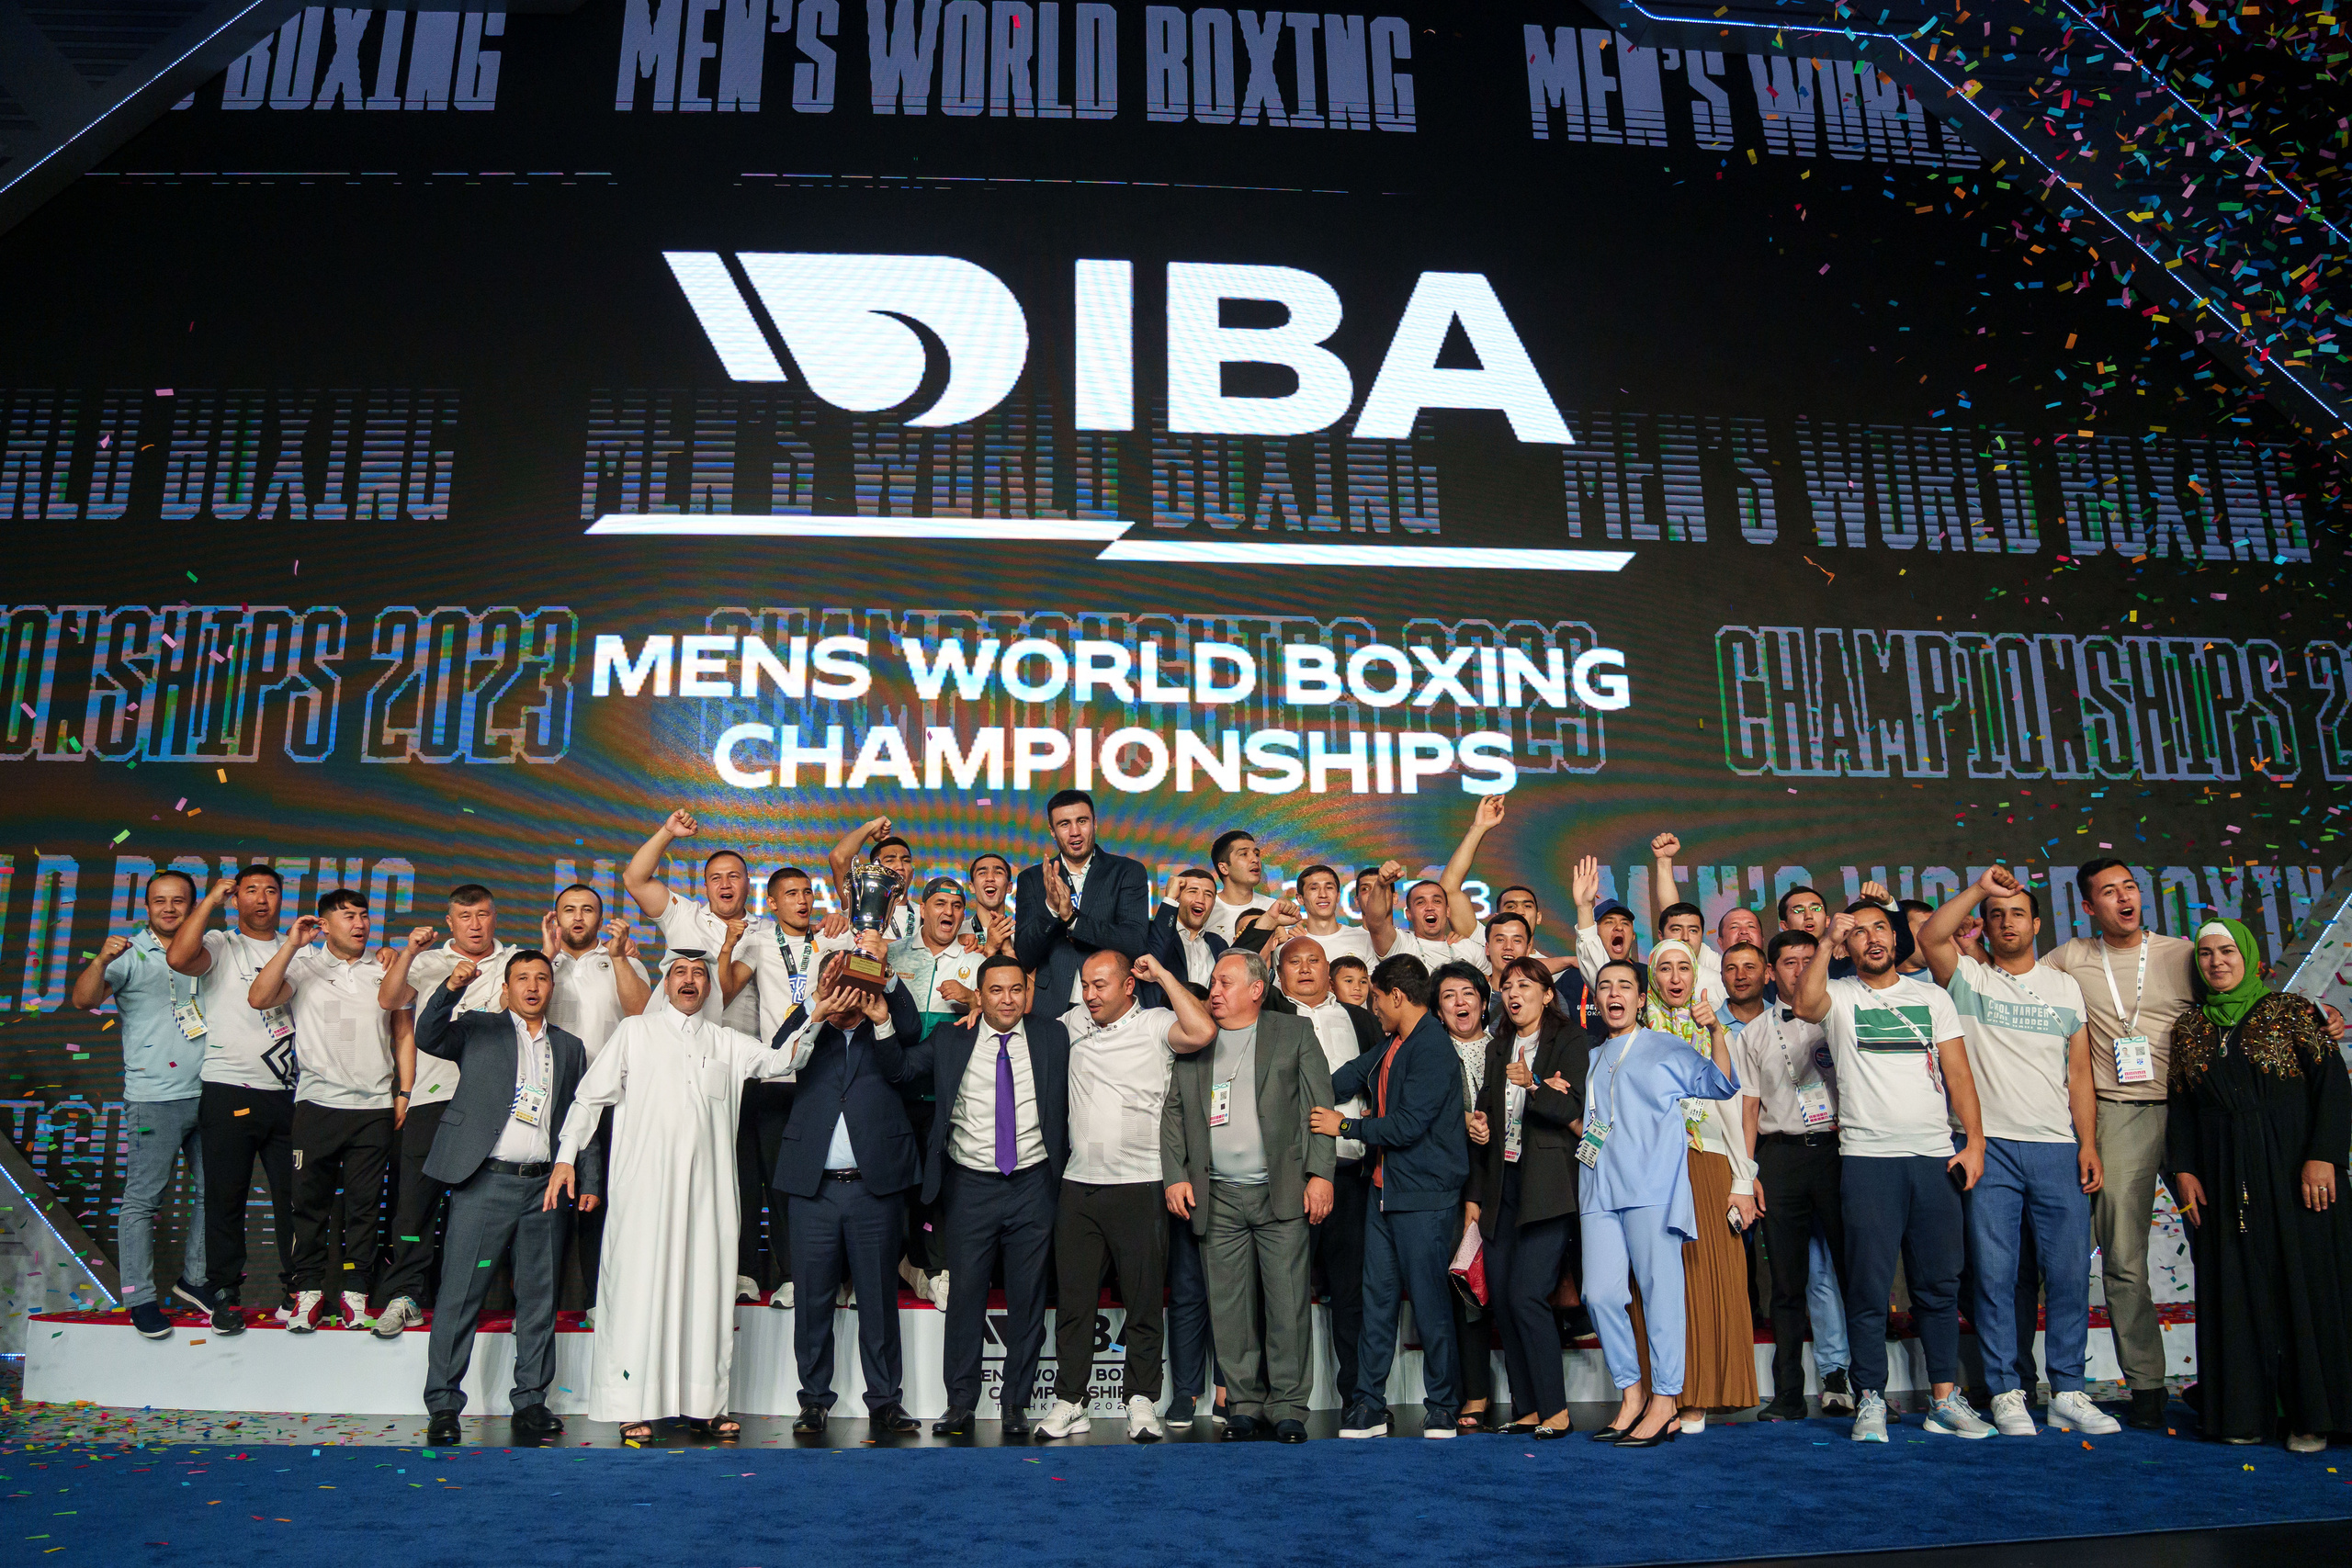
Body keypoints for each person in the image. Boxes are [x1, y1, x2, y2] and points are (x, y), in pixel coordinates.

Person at [547, 953, 790, 1442]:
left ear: (709, 988)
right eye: (680, 972)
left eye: (699, 973)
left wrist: (820, 1009)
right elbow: (589, 1097)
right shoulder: (636, 1033)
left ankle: (703, 1404)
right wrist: (566, 1155)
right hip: (644, 1194)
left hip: (710, 1198)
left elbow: (785, 1059)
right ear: (666, 982)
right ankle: (630, 1404)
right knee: (638, 1294)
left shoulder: (729, 1042)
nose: (690, 980)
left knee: (706, 1295)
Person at [1918, 867, 2118, 1438]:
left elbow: (2079, 1075)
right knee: (1996, 1276)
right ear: (1985, 924)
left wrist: (2088, 1144)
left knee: (2067, 1274)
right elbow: (1932, 936)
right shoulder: (1969, 979)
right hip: (1990, 1148)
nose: (2007, 922)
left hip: (2057, 1147)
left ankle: (2069, 1391)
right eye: (1996, 915)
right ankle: (2006, 1390)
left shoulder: (2064, 987)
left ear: (2036, 924)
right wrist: (1982, 888)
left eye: (2018, 914)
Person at [1791, 902, 1990, 1442]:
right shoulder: (1841, 998)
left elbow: (1959, 1072)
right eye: (1859, 932)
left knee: (1939, 1285)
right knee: (1869, 1287)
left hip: (1932, 1157)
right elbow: (1805, 1003)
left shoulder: (1932, 997)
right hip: (1867, 1160)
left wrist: (1974, 1141)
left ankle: (1944, 1400)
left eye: (1881, 927)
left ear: (1898, 938)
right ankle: (1871, 1398)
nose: (1872, 938)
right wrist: (1828, 941)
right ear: (1847, 948)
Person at [2167, 918, 2352, 1451]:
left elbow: (2332, 1088)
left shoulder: (2290, 1012)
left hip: (2297, 1174)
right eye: (2206, 954)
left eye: (2227, 951)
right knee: (2236, 1288)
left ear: (2249, 956)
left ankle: (2310, 1417)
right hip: (2225, 1177)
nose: (2217, 962)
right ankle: (2243, 1414)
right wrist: (2184, 1169)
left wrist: (2323, 1158)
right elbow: (2181, 1107)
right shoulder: (2190, 1028)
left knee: (2303, 1286)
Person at [415, 949, 601, 1447]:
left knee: (539, 1298)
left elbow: (581, 1119)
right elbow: (427, 1035)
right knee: (460, 1296)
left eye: (542, 978)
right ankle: (444, 1405)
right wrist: (451, 987)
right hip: (486, 1181)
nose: (534, 986)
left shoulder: (570, 1047)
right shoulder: (480, 1028)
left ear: (551, 987)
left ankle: (532, 1402)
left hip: (545, 1186)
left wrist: (589, 1179)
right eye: (523, 978)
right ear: (507, 986)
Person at [2043, 859, 2198, 1431]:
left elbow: (2245, 999)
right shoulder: (2070, 959)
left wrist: (2319, 1013)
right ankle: (2149, 1385)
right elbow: (2011, 984)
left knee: (2231, 1254)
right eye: (2108, 892)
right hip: (2117, 1116)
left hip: (2191, 1115)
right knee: (2125, 1259)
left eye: (2130, 886)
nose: (2124, 898)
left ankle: (2241, 1376)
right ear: (2089, 908)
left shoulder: (2183, 953)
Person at [1035, 951, 1216, 1440]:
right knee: (1075, 1304)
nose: (1090, 995)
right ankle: (1071, 1400)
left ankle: (1140, 1400)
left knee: (1142, 1304)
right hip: (1078, 1185)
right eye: (1085, 986)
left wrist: (1162, 975)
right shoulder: (1073, 1021)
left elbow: (1202, 1031)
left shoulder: (1157, 1023)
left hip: (1142, 1183)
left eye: (1100, 986)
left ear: (1129, 987)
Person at [1163, 949, 1336, 1443]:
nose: (1213, 991)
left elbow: (1321, 1107)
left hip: (1280, 1193)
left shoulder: (1294, 1032)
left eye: (1224, 982)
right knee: (1230, 1308)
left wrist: (1321, 1175)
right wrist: (1176, 1174)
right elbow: (1174, 1114)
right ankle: (1242, 1404)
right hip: (1216, 1198)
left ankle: (1288, 1407)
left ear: (1257, 989)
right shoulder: (1198, 1041)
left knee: (1286, 1305)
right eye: (1212, 983)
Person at [1577, 959, 1743, 1448]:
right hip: (1598, 1189)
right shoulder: (1589, 1056)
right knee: (1600, 1294)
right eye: (1604, 986)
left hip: (1651, 1187)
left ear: (1640, 998)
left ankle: (1665, 1400)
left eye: (1624, 985)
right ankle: (1631, 1395)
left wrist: (1715, 1031)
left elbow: (1720, 1084)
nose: (1614, 993)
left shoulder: (1664, 1047)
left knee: (1660, 1295)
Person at [772, 943, 929, 1438]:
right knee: (812, 1302)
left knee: (879, 1302)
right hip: (812, 1188)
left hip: (873, 1188)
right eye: (834, 979)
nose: (846, 989)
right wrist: (815, 1007)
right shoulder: (807, 1028)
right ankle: (814, 1401)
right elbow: (781, 1053)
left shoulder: (885, 1030)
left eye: (853, 978)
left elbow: (906, 1034)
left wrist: (882, 991)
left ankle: (885, 1402)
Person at [1322, 954, 1471, 1440]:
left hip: (1425, 1198)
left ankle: (1443, 1406)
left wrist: (1344, 1125)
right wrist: (1300, 1091)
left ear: (1398, 997)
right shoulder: (1393, 1043)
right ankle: (1368, 1405)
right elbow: (1344, 1076)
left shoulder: (1432, 1049)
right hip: (1384, 1195)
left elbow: (1407, 1127)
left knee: (1430, 1306)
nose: (1374, 1009)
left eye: (1377, 999)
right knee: (1377, 1303)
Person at [921, 954, 1069, 1438]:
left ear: (1027, 993)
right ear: (978, 996)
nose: (1007, 999)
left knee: (1028, 1301)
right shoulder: (951, 1037)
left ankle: (1015, 1404)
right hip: (970, 1186)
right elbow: (900, 1070)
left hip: (1033, 1184)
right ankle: (960, 1403)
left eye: (1016, 990)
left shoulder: (1053, 1035)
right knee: (965, 1298)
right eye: (996, 991)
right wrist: (882, 1018)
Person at [248, 891, 406, 1332]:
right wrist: (293, 944)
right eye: (347, 916)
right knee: (309, 1206)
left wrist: (404, 1092)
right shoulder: (304, 964)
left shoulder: (384, 969)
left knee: (364, 1207)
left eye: (364, 915)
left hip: (373, 1105)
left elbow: (402, 1031)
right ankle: (309, 1291)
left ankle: (356, 1294)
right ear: (324, 922)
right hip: (316, 1104)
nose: (359, 923)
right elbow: (259, 998)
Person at [371, 885, 523, 1337]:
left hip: (492, 1100)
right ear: (451, 921)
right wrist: (408, 951)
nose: (475, 925)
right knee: (415, 1204)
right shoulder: (428, 961)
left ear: (495, 917)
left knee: (487, 1206)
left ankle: (490, 1301)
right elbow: (388, 1000)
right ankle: (405, 1295)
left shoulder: (513, 961)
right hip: (433, 1098)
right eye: (465, 916)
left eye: (482, 915)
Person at [70, 868, 215, 1337]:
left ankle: (195, 1280)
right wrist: (99, 961)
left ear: (193, 906)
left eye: (179, 901)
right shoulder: (129, 953)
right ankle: (139, 1297)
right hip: (155, 1098)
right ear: (147, 907)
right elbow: (82, 1000)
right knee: (143, 1201)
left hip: (212, 1091)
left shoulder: (209, 947)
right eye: (160, 901)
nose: (169, 908)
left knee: (216, 1192)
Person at [164, 864, 299, 1336]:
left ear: (283, 897)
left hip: (287, 1095)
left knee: (294, 1201)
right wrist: (208, 904)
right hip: (228, 1089)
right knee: (225, 1199)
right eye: (250, 891)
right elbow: (180, 958)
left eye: (271, 890)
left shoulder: (298, 950)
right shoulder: (221, 943)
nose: (261, 898)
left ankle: (297, 1292)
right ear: (235, 896)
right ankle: (223, 1293)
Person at [1728, 931, 1853, 1422]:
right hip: (1780, 1158)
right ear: (1769, 973)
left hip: (1840, 1152)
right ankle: (1786, 1392)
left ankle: (1862, 1385)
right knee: (1786, 1281)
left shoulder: (1841, 1014)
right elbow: (1748, 1107)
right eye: (1788, 962)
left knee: (1851, 1271)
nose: (1799, 970)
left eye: (1808, 960)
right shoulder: (1753, 1033)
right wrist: (1747, 1170)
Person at [1635, 939, 1758, 1431]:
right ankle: (1662, 1395)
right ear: (1652, 980)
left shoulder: (1715, 1033)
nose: (1674, 976)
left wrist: (1743, 1179)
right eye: (1664, 968)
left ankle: (1699, 1395)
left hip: (1706, 1163)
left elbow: (1733, 1106)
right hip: (1651, 1168)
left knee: (1708, 1279)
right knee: (1661, 1283)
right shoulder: (1635, 1036)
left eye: (1683, 967)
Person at [723, 865, 856, 1309]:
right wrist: (726, 949)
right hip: (774, 1074)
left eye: (806, 893)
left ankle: (793, 1274)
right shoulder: (759, 940)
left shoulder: (835, 938)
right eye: (791, 894)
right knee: (752, 1179)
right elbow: (722, 991)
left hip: (823, 1079)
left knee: (795, 1185)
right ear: (773, 904)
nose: (802, 901)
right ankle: (744, 1271)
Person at [1468, 955, 1589, 1437]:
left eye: (1525, 985)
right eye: (1507, 986)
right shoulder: (1498, 1048)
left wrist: (1536, 1086)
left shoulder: (1569, 1040)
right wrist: (1478, 1127)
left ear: (1545, 993)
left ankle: (1556, 1408)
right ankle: (1528, 1408)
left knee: (1526, 1295)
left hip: (1548, 1187)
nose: (1514, 993)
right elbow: (1486, 1113)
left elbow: (1574, 1108)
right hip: (1503, 1186)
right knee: (1502, 1295)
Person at [1274, 935, 1382, 1412]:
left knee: (1352, 1291)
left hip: (1353, 1172)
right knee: (1285, 1293)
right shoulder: (1271, 1018)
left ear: (1329, 969)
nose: (1304, 969)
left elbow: (1381, 1082)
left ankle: (1359, 1396)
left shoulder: (1360, 1018)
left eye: (1313, 960)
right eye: (1292, 962)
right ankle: (1282, 1401)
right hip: (1291, 1175)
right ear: (1277, 976)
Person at [542, 886, 650, 1309]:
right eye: (569, 910)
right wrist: (548, 957)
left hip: (611, 1101)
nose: (578, 917)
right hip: (549, 1099)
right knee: (545, 1205)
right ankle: (538, 1304)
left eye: (587, 910)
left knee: (599, 1204)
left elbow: (643, 1014)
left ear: (600, 918)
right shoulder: (541, 965)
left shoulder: (622, 960)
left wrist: (621, 958)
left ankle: (596, 1301)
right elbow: (510, 1009)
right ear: (556, 918)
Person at [1430, 960, 1500, 1431]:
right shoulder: (1430, 1054)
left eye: (1469, 993)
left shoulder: (1507, 1049)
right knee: (1466, 1289)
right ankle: (1474, 1392)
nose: (1461, 1003)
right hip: (1456, 1188)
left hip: (1506, 1183)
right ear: (1438, 1009)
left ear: (1483, 1000)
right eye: (1450, 995)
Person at [1013, 789, 1153, 1013]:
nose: (1075, 832)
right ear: (1052, 831)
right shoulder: (1032, 878)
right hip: (1052, 1007)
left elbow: (1134, 942)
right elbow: (1026, 955)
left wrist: (1072, 919)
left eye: (1082, 821)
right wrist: (1050, 909)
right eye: (1064, 824)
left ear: (1095, 823)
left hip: (1114, 1006)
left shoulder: (1127, 871)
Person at [624, 809, 761, 1030]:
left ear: (748, 883)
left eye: (734, 876)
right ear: (705, 886)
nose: (725, 884)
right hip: (676, 1047)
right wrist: (668, 833)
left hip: (742, 1053)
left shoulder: (767, 931)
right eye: (716, 878)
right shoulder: (684, 915)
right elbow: (634, 880)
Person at [830, 817, 919, 944]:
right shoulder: (860, 901)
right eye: (890, 860)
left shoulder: (923, 914)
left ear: (913, 872)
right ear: (875, 869)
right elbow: (839, 858)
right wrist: (871, 826)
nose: (900, 866)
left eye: (906, 860)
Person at [1149, 867, 1228, 994]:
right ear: (1177, 896)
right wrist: (1170, 898)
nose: (1200, 900)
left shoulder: (1219, 944)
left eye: (1208, 894)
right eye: (1192, 891)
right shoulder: (1152, 933)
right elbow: (1154, 961)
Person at [1204, 829, 1278, 942]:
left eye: (1256, 854)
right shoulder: (1206, 909)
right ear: (1224, 868)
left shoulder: (1273, 909)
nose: (1255, 860)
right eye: (1244, 854)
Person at [965, 852, 1016, 949]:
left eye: (998, 873)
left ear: (1009, 887)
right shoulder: (957, 933)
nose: (990, 878)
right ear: (972, 887)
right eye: (982, 873)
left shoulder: (1023, 935)